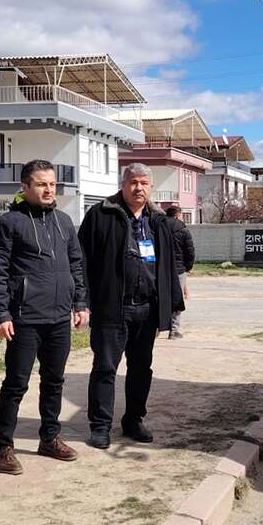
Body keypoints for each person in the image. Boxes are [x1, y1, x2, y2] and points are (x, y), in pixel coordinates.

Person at [0, 160, 89, 475]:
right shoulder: (8, 223)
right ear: (25, 187)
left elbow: (76, 264)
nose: (48, 190)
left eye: (52, 184)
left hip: (59, 317)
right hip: (24, 318)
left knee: (54, 381)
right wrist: (0, 312)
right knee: (16, 384)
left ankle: (49, 438)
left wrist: (80, 303)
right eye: (41, 184)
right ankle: (3, 447)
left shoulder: (64, 221)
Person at [78, 163, 183, 449]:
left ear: (151, 187)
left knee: (141, 368)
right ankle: (100, 426)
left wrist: (171, 306)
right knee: (105, 367)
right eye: (133, 182)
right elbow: (82, 261)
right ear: (123, 185)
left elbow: (169, 266)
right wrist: (82, 301)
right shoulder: (101, 215)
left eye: (144, 183)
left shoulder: (158, 221)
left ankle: (133, 420)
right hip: (112, 308)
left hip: (146, 310)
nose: (139, 188)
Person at [164, 206, 195, 340]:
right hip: (178, 269)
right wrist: (187, 267)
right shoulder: (183, 230)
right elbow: (190, 251)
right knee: (177, 299)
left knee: (160, 298)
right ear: (178, 215)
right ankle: (174, 330)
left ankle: (154, 329)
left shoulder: (159, 227)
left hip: (161, 269)